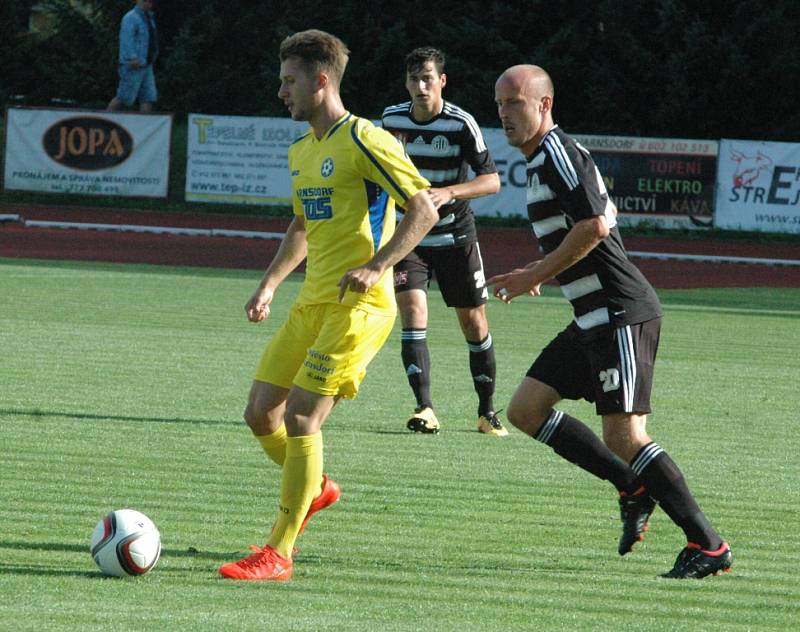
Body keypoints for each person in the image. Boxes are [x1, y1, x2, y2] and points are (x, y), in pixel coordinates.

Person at [488, 64, 731, 579]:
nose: (505, 114)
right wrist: (540, 273)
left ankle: (707, 544)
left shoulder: (556, 153)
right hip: (592, 316)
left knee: (626, 434)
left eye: (515, 103)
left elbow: (595, 226)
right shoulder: (543, 161)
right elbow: (590, 230)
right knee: (526, 410)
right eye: (500, 105)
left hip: (619, 311)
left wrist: (537, 269)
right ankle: (631, 485)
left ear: (544, 104)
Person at [218, 30, 439, 581]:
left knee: (300, 417)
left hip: (358, 309)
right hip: (311, 302)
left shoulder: (366, 139)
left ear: (321, 81)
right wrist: (269, 284)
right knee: (259, 413)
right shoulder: (301, 150)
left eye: (289, 81)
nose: (280, 92)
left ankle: (279, 551)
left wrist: (378, 263)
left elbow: (424, 207)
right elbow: (302, 224)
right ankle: (315, 488)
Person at [381, 47, 506, 436]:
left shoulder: (460, 124)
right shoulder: (391, 119)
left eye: (428, 79)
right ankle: (425, 408)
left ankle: (486, 412)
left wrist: (449, 192)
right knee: (413, 315)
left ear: (442, 82)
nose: (421, 86)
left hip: (455, 235)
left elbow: (492, 180)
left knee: (473, 322)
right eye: (414, 79)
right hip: (410, 237)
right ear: (406, 83)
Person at [107, 0, 159, 112]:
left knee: (148, 97)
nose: (148, 4)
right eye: (145, 1)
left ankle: (144, 127)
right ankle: (105, 121)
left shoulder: (149, 18)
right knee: (123, 97)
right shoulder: (131, 17)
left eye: (150, 1)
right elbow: (126, 39)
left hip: (147, 64)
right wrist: (132, 57)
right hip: (133, 65)